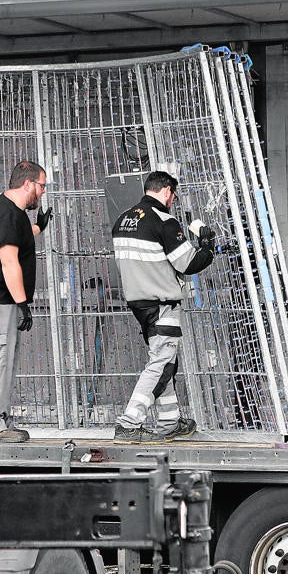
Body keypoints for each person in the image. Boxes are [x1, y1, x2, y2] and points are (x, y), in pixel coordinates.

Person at [109, 170, 215, 444]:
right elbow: (188, 263)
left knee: (164, 360)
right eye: (174, 196)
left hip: (138, 302)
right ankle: (129, 422)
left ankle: (169, 422)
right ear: (167, 191)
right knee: (162, 363)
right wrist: (207, 246)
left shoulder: (123, 219)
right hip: (162, 304)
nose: (173, 201)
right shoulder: (164, 221)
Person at [0, 160, 51, 443]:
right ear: (27, 184)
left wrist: (39, 228)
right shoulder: (6, 214)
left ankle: (0, 421)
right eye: (41, 186)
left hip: (1, 304)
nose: (42, 193)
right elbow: (8, 261)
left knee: (3, 365)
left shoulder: (6, 210)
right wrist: (22, 302)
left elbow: (17, 238)